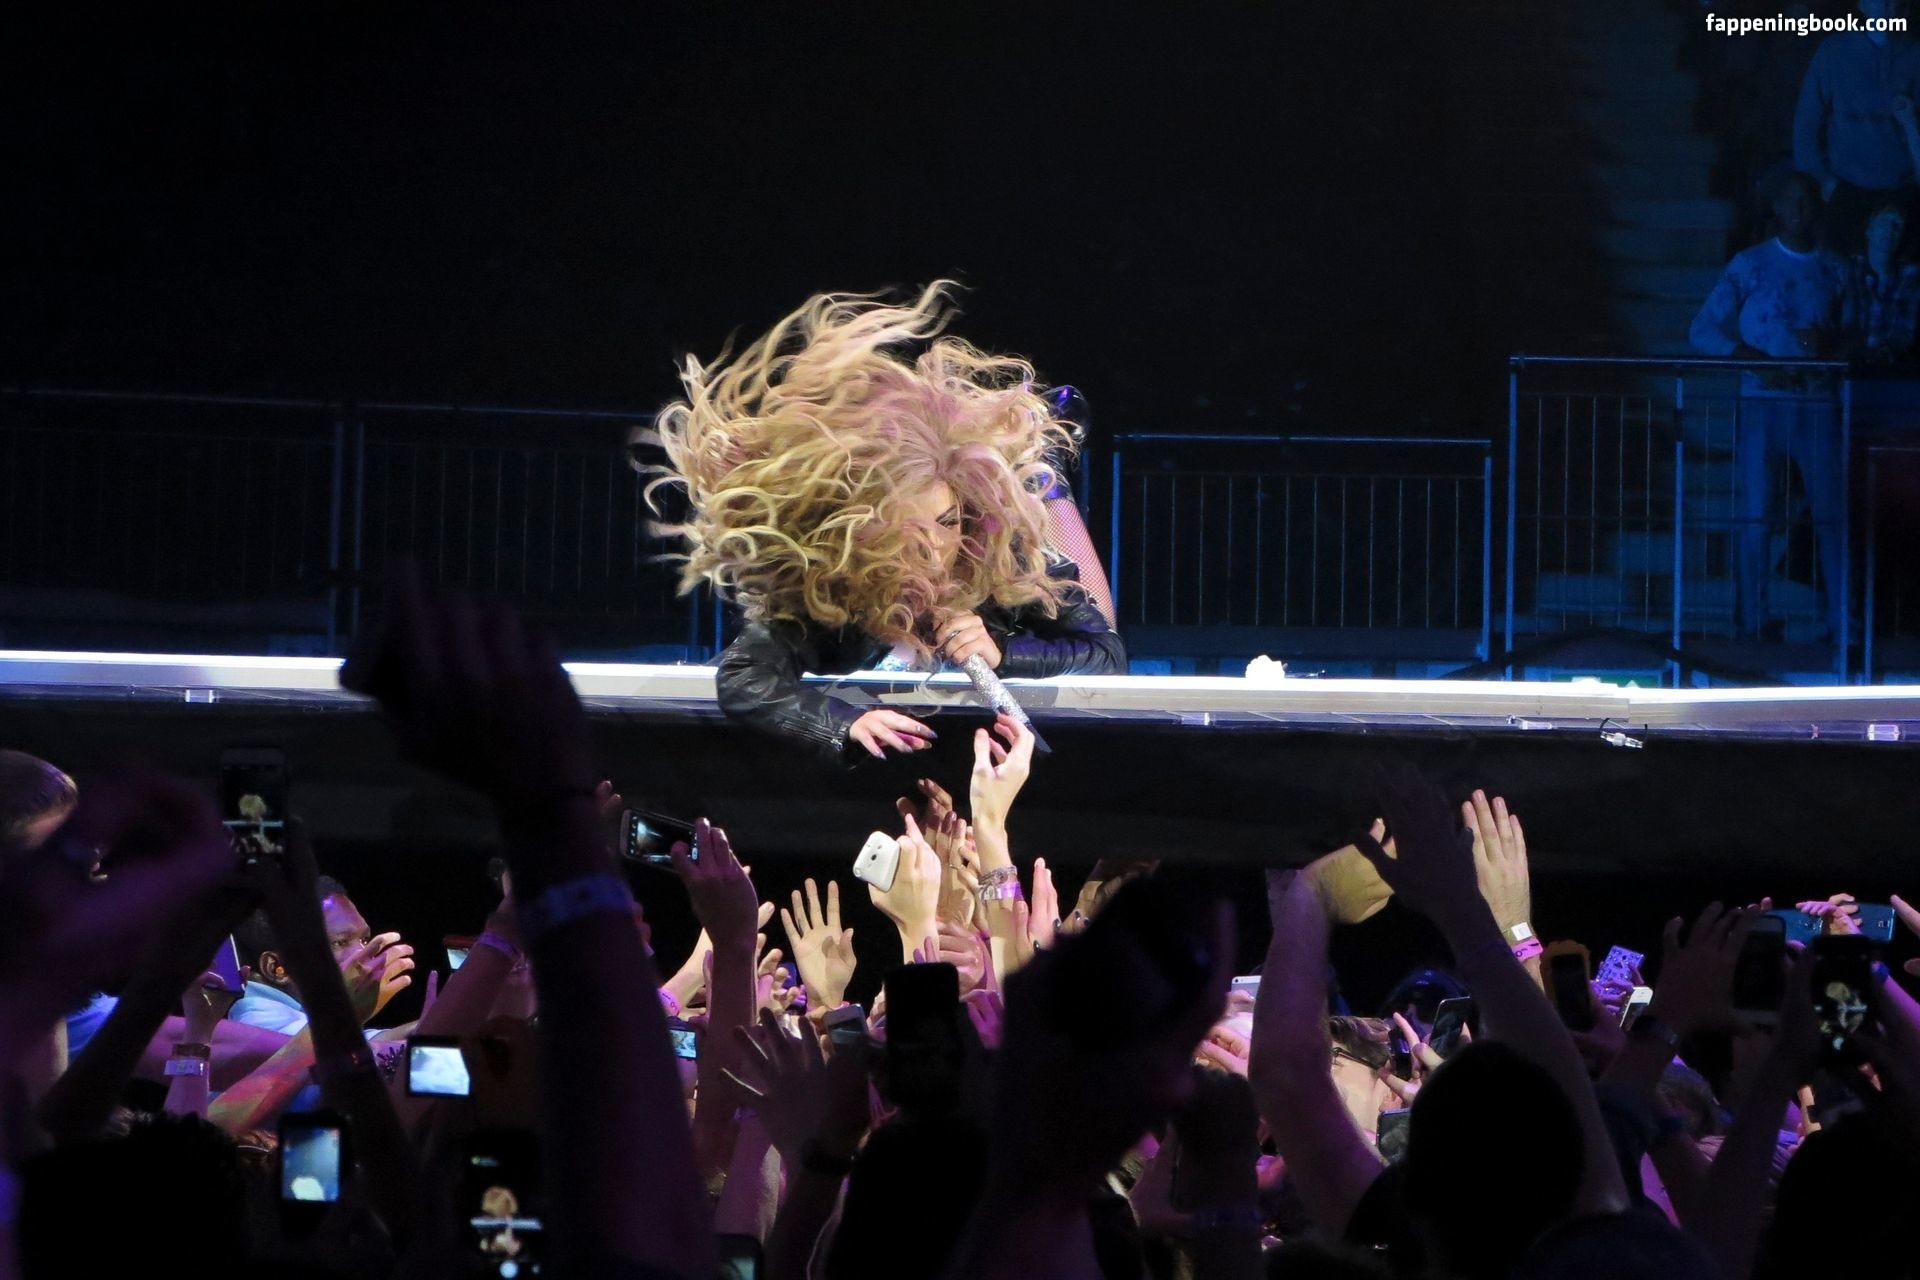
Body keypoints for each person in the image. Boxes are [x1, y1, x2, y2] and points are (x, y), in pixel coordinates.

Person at [645, 283, 1126, 765]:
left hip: (1010, 527)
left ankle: (1042, 465)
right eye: (912, 528)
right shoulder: (834, 590)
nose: (935, 547)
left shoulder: (998, 553)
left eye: (947, 522)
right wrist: (844, 722)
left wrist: (1004, 650)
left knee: (1035, 508)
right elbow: (744, 676)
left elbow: (1107, 655)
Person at [1689, 171, 1854, 640]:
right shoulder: (1750, 264)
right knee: (1757, 513)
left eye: (1807, 200)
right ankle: (1751, 617)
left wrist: (1830, 344)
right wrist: (1751, 359)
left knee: (1830, 514)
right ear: (1777, 208)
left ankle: (1841, 617)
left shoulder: (1836, 268)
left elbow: (1857, 335)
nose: (1799, 209)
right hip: (1761, 404)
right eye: (1791, 201)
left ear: (1816, 207)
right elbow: (1702, 329)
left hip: (1818, 404)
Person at [1793, 0, 1920, 253]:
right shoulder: (1833, 52)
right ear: (1863, 5)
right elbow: (1806, 122)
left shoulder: (1914, 55)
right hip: (1847, 189)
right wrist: (1823, 181)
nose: (1889, 7)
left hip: (1902, 191)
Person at [1850, 201, 1920, 363]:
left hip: (1895, 368)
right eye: (1883, 221)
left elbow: (1907, 331)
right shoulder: (1849, 269)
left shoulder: (1912, 278)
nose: (1890, 229)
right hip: (1851, 365)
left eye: (1897, 225)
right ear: (1868, 230)